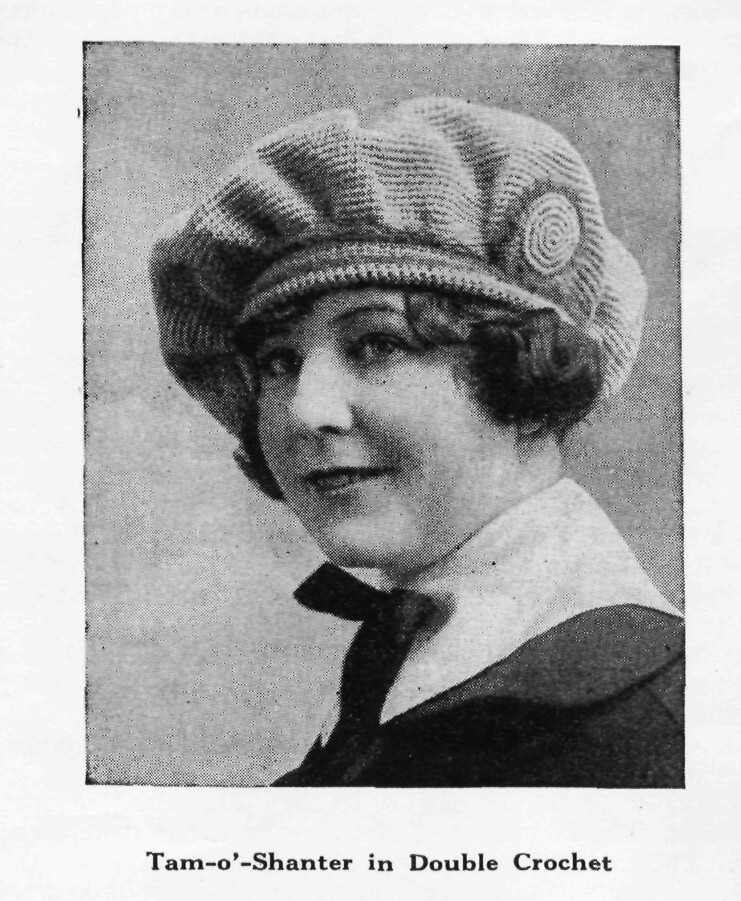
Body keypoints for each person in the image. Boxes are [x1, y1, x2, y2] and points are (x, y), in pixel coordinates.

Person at [150, 97, 683, 787]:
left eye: (377, 344)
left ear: (525, 382)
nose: (305, 410)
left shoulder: (655, 723)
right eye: (279, 361)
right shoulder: (405, 674)